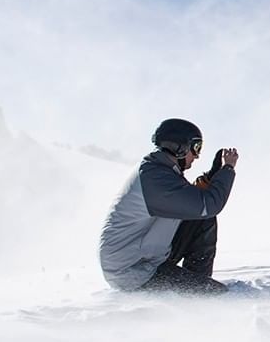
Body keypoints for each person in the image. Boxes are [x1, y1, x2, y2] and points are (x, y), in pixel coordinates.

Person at [99, 119, 239, 294]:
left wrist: (212, 177)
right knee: (216, 295)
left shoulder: (160, 171)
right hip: (131, 271)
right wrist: (227, 169)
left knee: (202, 220)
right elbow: (207, 205)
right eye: (196, 147)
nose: (197, 156)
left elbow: (192, 202)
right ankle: (199, 295)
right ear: (180, 147)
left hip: (147, 256)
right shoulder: (156, 178)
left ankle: (197, 288)